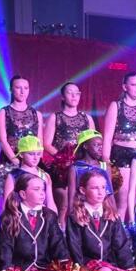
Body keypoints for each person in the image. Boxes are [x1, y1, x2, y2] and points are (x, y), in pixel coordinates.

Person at [66, 169, 134, 271]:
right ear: (83, 190)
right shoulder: (75, 217)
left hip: (108, 265)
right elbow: (74, 247)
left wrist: (129, 268)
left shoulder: (112, 215)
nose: (100, 192)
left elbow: (121, 245)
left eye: (103, 187)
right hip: (88, 267)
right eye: (95, 188)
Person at [102, 72, 136, 211]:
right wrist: (106, 161)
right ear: (125, 87)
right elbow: (107, 137)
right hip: (121, 156)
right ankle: (119, 225)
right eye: (134, 85)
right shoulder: (116, 106)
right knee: (123, 200)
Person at [0, 173, 68, 271]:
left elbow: (58, 245)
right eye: (36, 189)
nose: (42, 193)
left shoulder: (49, 215)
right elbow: (5, 248)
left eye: (43, 189)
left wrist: (64, 269)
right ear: (23, 194)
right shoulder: (10, 216)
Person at [42, 82, 95, 214]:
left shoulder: (87, 118)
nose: (74, 96)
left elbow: (93, 143)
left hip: (82, 166)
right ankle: (60, 226)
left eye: (77, 93)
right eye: (70, 93)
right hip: (62, 168)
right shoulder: (56, 117)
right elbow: (46, 143)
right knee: (64, 205)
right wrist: (64, 158)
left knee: (83, 201)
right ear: (63, 97)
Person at [0, 75, 43, 175]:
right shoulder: (4, 112)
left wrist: (35, 161)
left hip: (32, 163)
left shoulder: (36, 114)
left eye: (26, 88)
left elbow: (39, 141)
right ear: (11, 89)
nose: (22, 91)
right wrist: (16, 162)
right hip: (10, 162)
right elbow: (3, 141)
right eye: (18, 88)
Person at [65, 129, 112, 225]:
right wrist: (71, 217)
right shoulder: (75, 168)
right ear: (85, 146)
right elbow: (72, 195)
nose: (100, 148)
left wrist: (114, 213)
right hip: (82, 212)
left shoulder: (104, 167)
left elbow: (109, 193)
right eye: (96, 145)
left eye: (101, 145)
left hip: (102, 211)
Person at [2, 136, 56, 211]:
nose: (36, 158)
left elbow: (50, 202)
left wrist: (54, 217)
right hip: (20, 215)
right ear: (21, 154)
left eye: (38, 154)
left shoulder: (44, 175)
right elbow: (7, 203)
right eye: (31, 154)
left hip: (40, 215)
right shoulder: (13, 175)